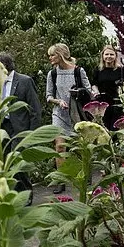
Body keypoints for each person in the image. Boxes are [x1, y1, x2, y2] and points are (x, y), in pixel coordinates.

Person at [0, 52, 42, 205]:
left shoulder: (25, 81)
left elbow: (35, 109)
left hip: (21, 128)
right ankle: (11, 195)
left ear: (5, 67)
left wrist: (32, 135)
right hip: (3, 128)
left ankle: (26, 195)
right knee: (5, 162)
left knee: (18, 164)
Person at [46, 43, 91, 194]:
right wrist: (58, 101)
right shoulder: (52, 74)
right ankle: (61, 180)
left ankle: (86, 175)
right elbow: (48, 96)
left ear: (60, 55)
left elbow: (89, 91)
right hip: (59, 114)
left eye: (52, 54)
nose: (50, 57)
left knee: (80, 148)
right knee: (59, 147)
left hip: (77, 113)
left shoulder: (78, 71)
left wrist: (77, 93)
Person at [91, 45, 124, 130]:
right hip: (102, 101)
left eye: (111, 54)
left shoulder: (121, 70)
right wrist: (96, 92)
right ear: (103, 56)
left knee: (116, 126)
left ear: (115, 56)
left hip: (117, 101)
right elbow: (94, 83)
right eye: (106, 54)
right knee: (103, 126)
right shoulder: (97, 69)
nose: (109, 56)